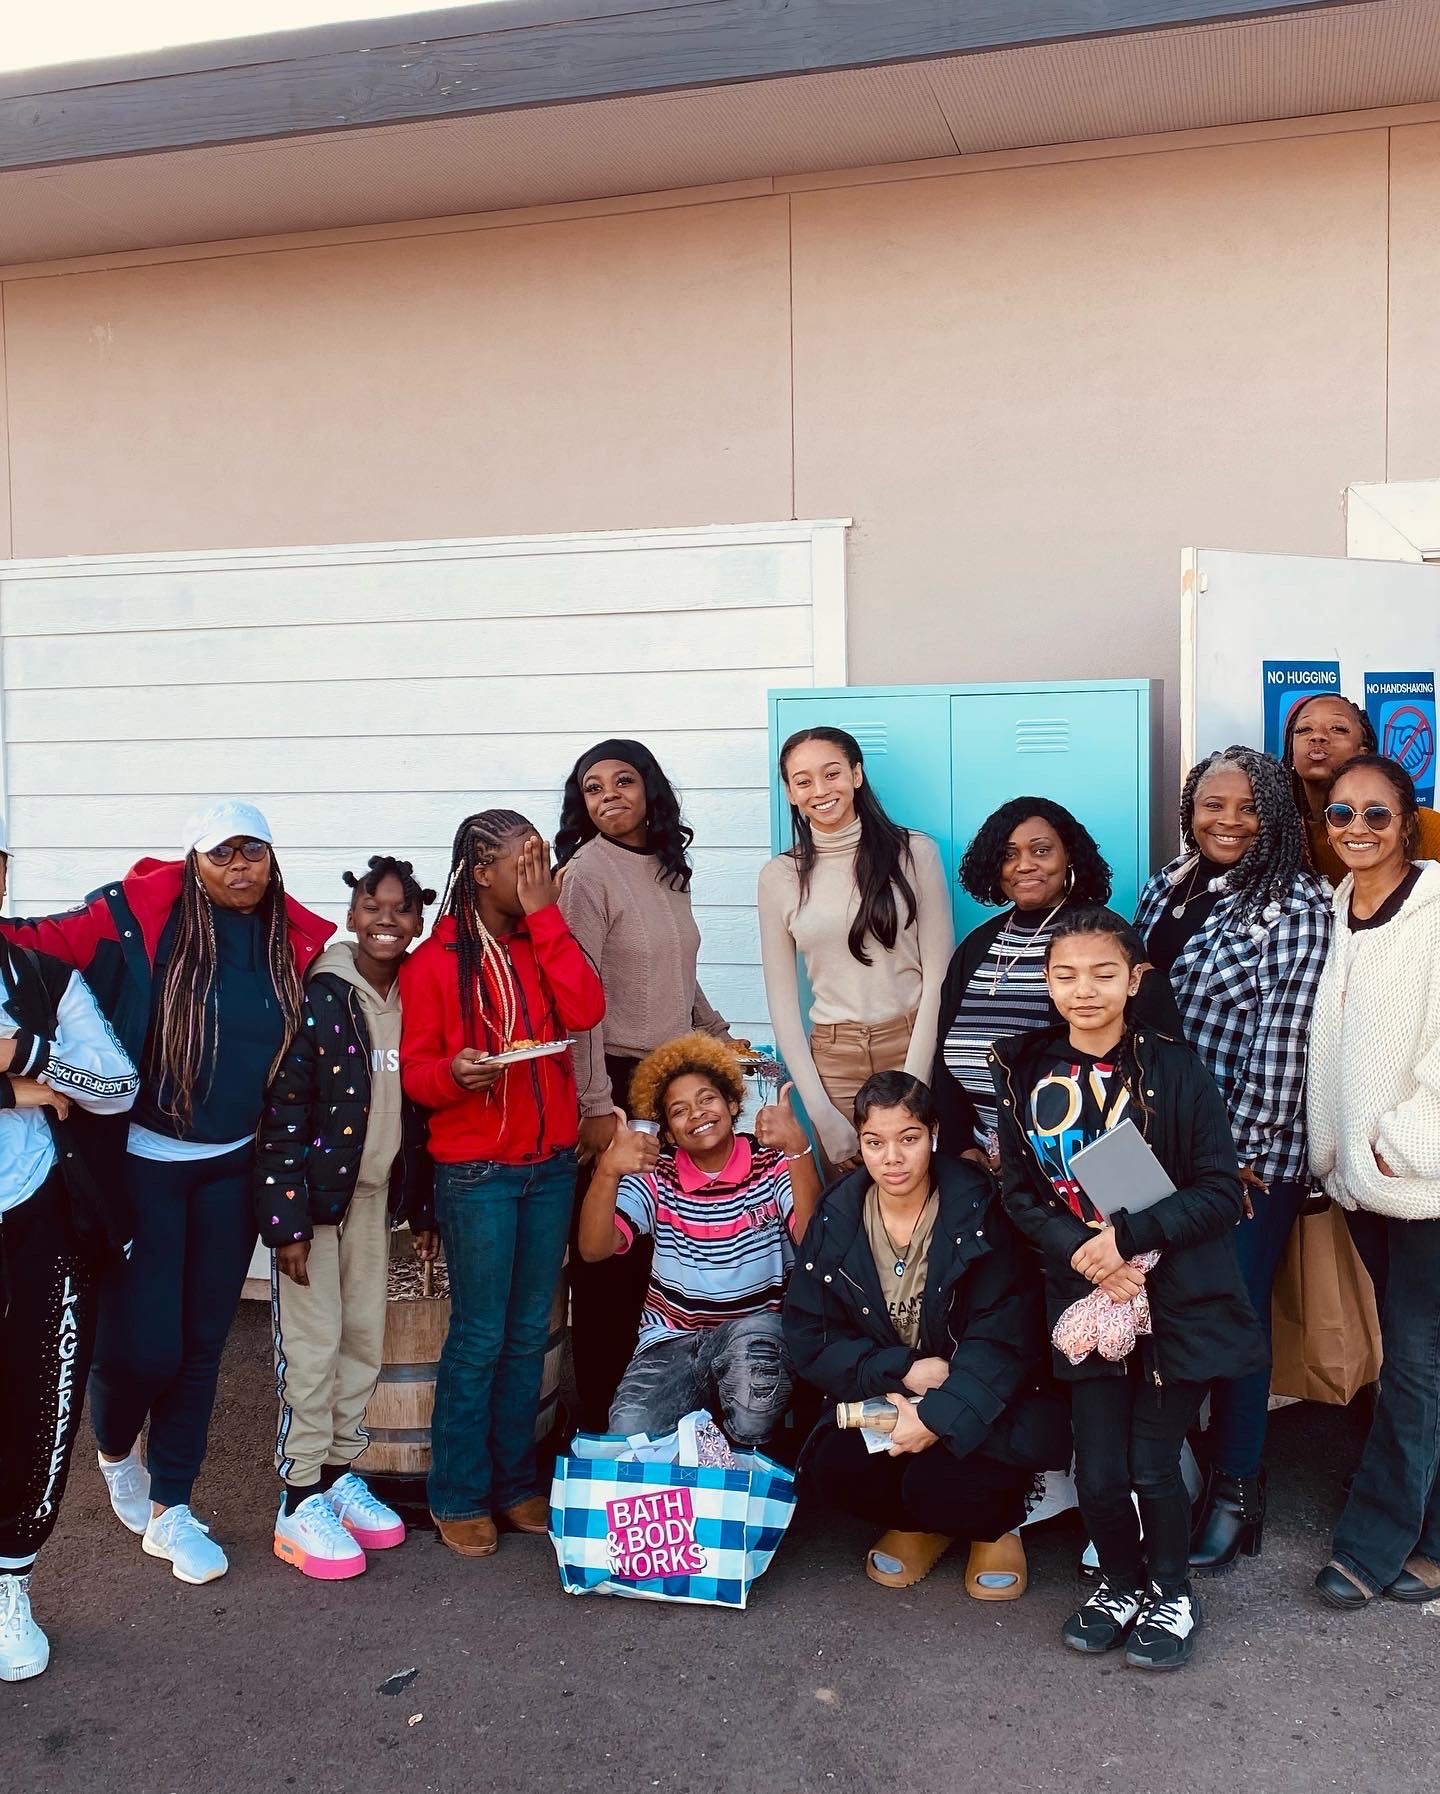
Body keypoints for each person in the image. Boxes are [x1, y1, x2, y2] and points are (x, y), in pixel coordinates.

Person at [1, 800, 333, 1586]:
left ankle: (172, 1506)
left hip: (234, 1164)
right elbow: (33, 942)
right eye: (222, 854)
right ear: (195, 861)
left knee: (203, 1346)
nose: (239, 866)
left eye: (253, 851)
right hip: (146, 1160)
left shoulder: (292, 944)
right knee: (143, 1346)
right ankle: (117, 1452)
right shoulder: (141, 923)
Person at [992, 907, 1265, 1671]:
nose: (1085, 990)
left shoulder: (1174, 1068)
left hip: (1175, 1295)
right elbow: (1018, 1193)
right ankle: (1119, 1583)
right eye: (1067, 975)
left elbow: (1218, 1189)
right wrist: (1084, 1253)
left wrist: (1129, 1240)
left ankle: (1171, 1591)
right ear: (1047, 983)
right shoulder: (1025, 1071)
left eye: (1104, 973)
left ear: (1136, 979)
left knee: (1153, 1462)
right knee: (1100, 1467)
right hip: (1083, 1296)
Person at [1133, 745, 1330, 1574]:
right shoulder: (1169, 884)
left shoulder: (1298, 905)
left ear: (1278, 817)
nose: (1228, 822)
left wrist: (1234, 1162)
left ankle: (1239, 1487)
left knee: (1231, 1318)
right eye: (1213, 805)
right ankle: (1156, 1479)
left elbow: (1281, 1048)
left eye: (1249, 808)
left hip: (1243, 1160)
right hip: (1146, 1146)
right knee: (1154, 1306)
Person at [400, 812, 604, 1559]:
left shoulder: (541, 940)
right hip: (478, 1172)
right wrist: (454, 1074)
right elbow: (419, 1074)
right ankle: (457, 1491)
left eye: (542, 862)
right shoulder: (434, 964)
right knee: (481, 1335)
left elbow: (584, 1010)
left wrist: (547, 912)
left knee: (528, 1334)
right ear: (481, 873)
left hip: (549, 1165)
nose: (539, 876)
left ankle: (517, 1483)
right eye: (526, 865)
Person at [785, 1071, 1067, 1597]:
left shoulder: (978, 1209)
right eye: (875, 1142)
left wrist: (938, 1416)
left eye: (908, 1139)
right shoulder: (838, 1214)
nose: (892, 1158)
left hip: (980, 1401)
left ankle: (996, 1527)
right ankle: (921, 1527)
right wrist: (901, 1369)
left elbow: (1005, 1337)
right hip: (891, 1392)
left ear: (933, 1134)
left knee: (946, 1481)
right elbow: (811, 1333)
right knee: (835, 1469)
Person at [259, 857, 440, 1581]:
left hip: (374, 1202)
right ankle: (298, 1494)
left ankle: (336, 1477)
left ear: (420, 919)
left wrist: (419, 1204)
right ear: (352, 914)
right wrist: (287, 1222)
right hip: (317, 1209)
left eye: (401, 909)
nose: (387, 920)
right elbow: (283, 1109)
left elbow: (419, 1111)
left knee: (363, 1342)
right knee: (314, 1346)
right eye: (373, 906)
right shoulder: (323, 995)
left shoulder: (414, 996)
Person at [555, 737, 734, 1430]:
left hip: (673, 1078)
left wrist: (718, 1034)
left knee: (672, 1255)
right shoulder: (586, 874)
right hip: (618, 1082)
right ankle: (603, 1421)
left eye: (622, 782)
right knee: (611, 1267)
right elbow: (579, 1000)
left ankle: (659, 1411)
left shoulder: (666, 869)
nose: (609, 798)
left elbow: (678, 973)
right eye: (593, 788)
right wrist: (596, 1106)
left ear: (649, 790)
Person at [0, 818, 140, 1683]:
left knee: (36, 1400)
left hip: (34, 1215)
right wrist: (17, 1089)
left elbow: (114, 1083)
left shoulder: (40, 977)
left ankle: (9, 1583)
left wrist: (27, 1052)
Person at [1306, 756, 1440, 1610]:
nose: (1357, 828)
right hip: (1359, 1183)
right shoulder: (1333, 911)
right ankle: (1429, 1534)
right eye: (1342, 814)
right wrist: (1335, 1155)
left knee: (1418, 1366)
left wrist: (1404, 1144)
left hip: (1422, 1183)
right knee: (1420, 1362)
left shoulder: (1436, 911)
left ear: (1408, 822)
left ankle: (1374, 1541)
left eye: (1377, 815)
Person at [576, 1032, 819, 1444]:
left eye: (707, 1099)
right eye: (679, 1110)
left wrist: (798, 1149)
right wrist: (608, 1171)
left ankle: (738, 1458)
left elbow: (813, 1241)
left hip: (753, 1333)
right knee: (630, 1432)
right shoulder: (657, 1174)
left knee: (754, 1403)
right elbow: (594, 1250)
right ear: (667, 1132)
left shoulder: (770, 1163)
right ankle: (704, 1442)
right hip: (670, 1340)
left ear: (732, 1104)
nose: (698, 1114)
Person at [758, 727, 953, 1174]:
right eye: (803, 781)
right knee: (850, 1202)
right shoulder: (778, 878)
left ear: (857, 775)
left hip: (910, 1043)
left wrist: (915, 1086)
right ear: (790, 792)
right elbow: (783, 1008)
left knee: (921, 1191)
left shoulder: (915, 854)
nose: (820, 790)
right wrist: (822, 1114)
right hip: (833, 1059)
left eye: (832, 774)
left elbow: (940, 976)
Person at [933, 798, 1117, 1166]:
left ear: (1069, 858)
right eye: (1009, 854)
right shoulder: (978, 945)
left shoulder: (1103, 937)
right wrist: (961, 1145)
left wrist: (1020, 1151)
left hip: (1075, 1159)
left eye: (1041, 851)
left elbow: (1133, 1061)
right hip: (983, 1156)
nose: (1024, 865)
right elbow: (944, 1054)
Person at [1283, 693, 1440, 884]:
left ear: (1363, 751)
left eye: (1338, 728)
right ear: (1291, 753)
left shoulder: (1427, 827)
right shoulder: (1282, 835)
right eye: (1304, 729)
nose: (1317, 736)